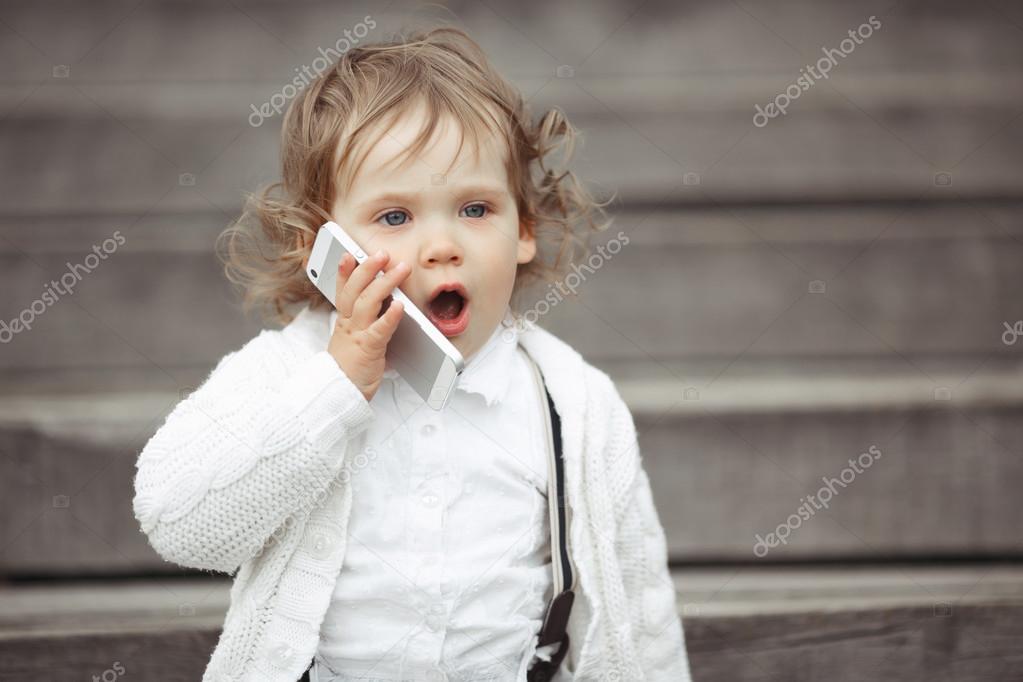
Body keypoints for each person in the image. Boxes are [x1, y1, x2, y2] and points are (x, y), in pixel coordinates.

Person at [132, 25, 691, 682]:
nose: (441, 246)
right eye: (395, 217)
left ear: (524, 231)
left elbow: (636, 606)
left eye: (475, 208)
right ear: (327, 244)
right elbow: (179, 521)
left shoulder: (572, 397)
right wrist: (335, 387)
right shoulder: (288, 372)